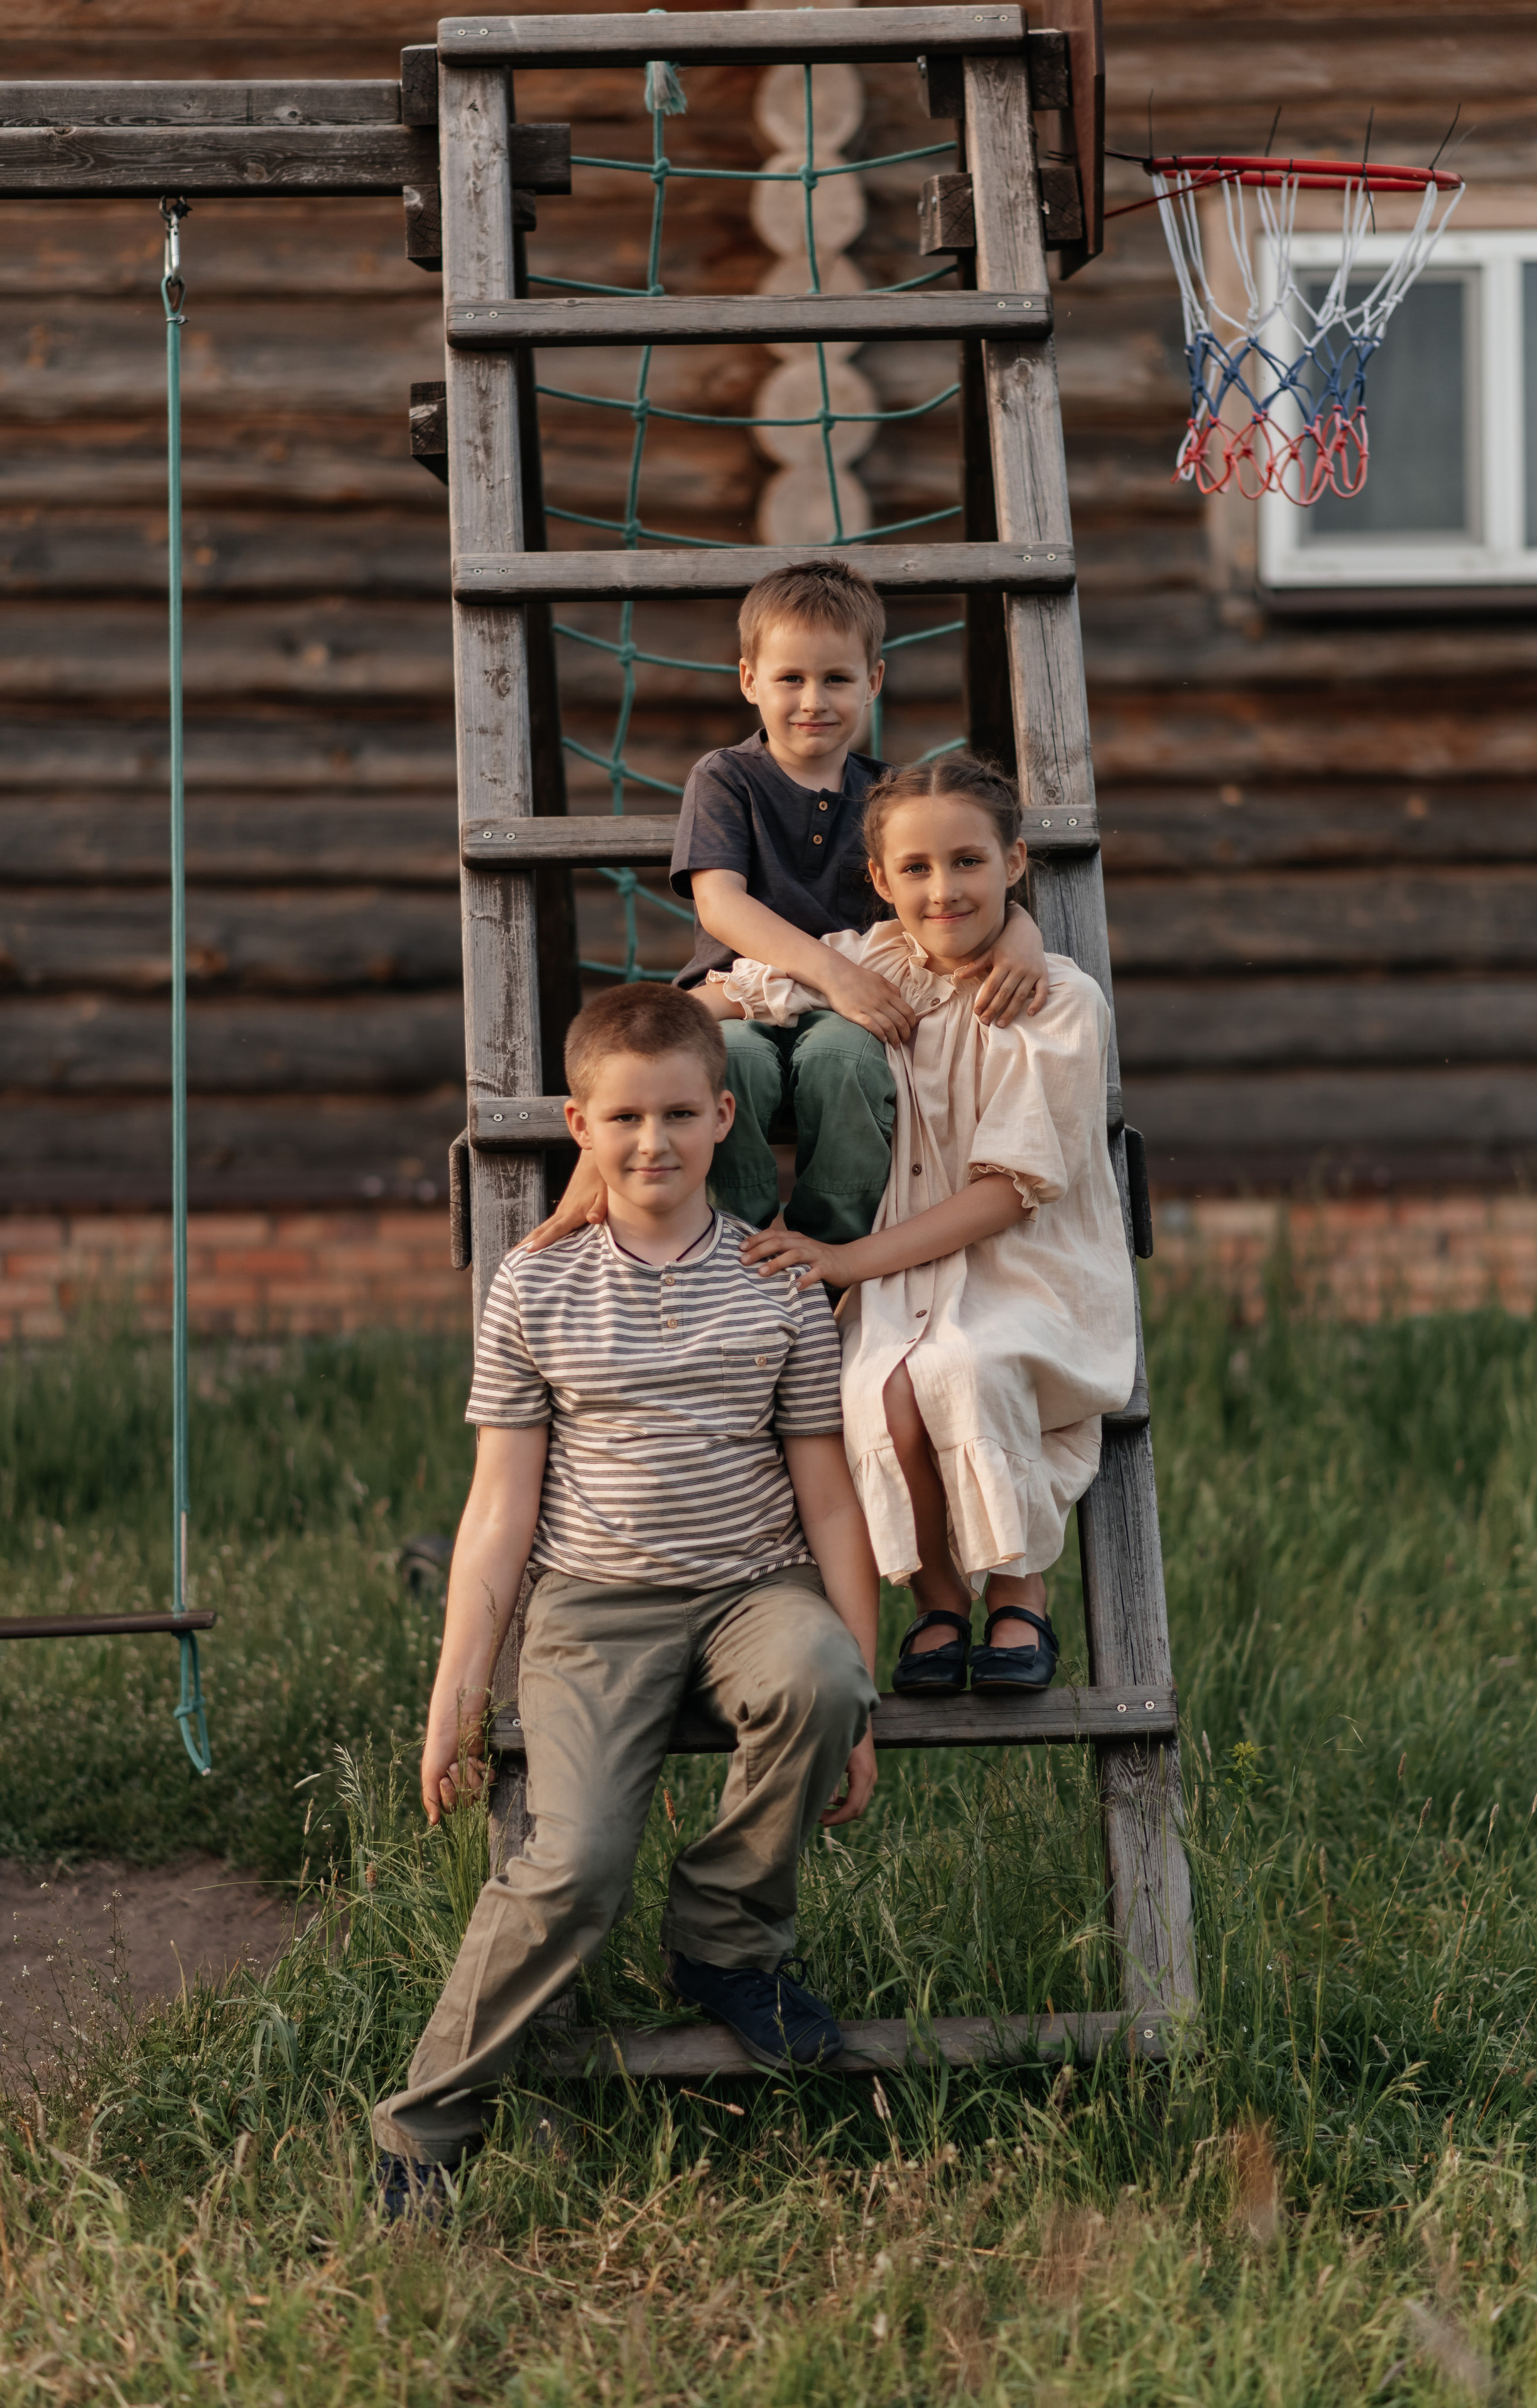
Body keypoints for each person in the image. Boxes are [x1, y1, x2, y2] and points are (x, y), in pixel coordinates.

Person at [371, 983, 880, 2196]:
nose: (652, 1141)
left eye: (676, 1114)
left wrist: (866, 1689)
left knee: (815, 1675)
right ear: (578, 1125)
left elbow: (829, 1498)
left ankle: (724, 1939)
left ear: (722, 1117)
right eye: (624, 1117)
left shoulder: (780, 1285)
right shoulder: (535, 1289)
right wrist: (453, 1690)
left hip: (756, 1587)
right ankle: (426, 2123)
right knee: (577, 1865)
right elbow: (498, 1509)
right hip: (594, 1608)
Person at [706, 754, 1137, 1698]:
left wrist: (845, 1259)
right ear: (880, 879)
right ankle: (938, 1599)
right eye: (917, 869)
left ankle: (1022, 1593)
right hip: (908, 1269)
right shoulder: (874, 968)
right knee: (876, 1385)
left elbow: (1006, 1194)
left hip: (1023, 1261)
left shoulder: (1054, 1000)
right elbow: (730, 996)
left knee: (968, 1366)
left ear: (1014, 861)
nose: (944, 890)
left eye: (969, 862)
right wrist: (664, 1035)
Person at [519, 560, 1050, 1257]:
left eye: (836, 679)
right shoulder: (727, 778)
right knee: (732, 1062)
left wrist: (1022, 930)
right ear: (749, 681)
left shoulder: (889, 794)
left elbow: (942, 887)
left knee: (850, 1062)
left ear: (873, 682)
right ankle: (733, 1247)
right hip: (742, 999)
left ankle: (823, 1255)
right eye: (790, 679)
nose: (813, 700)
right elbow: (720, 905)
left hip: (847, 1014)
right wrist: (836, 973)